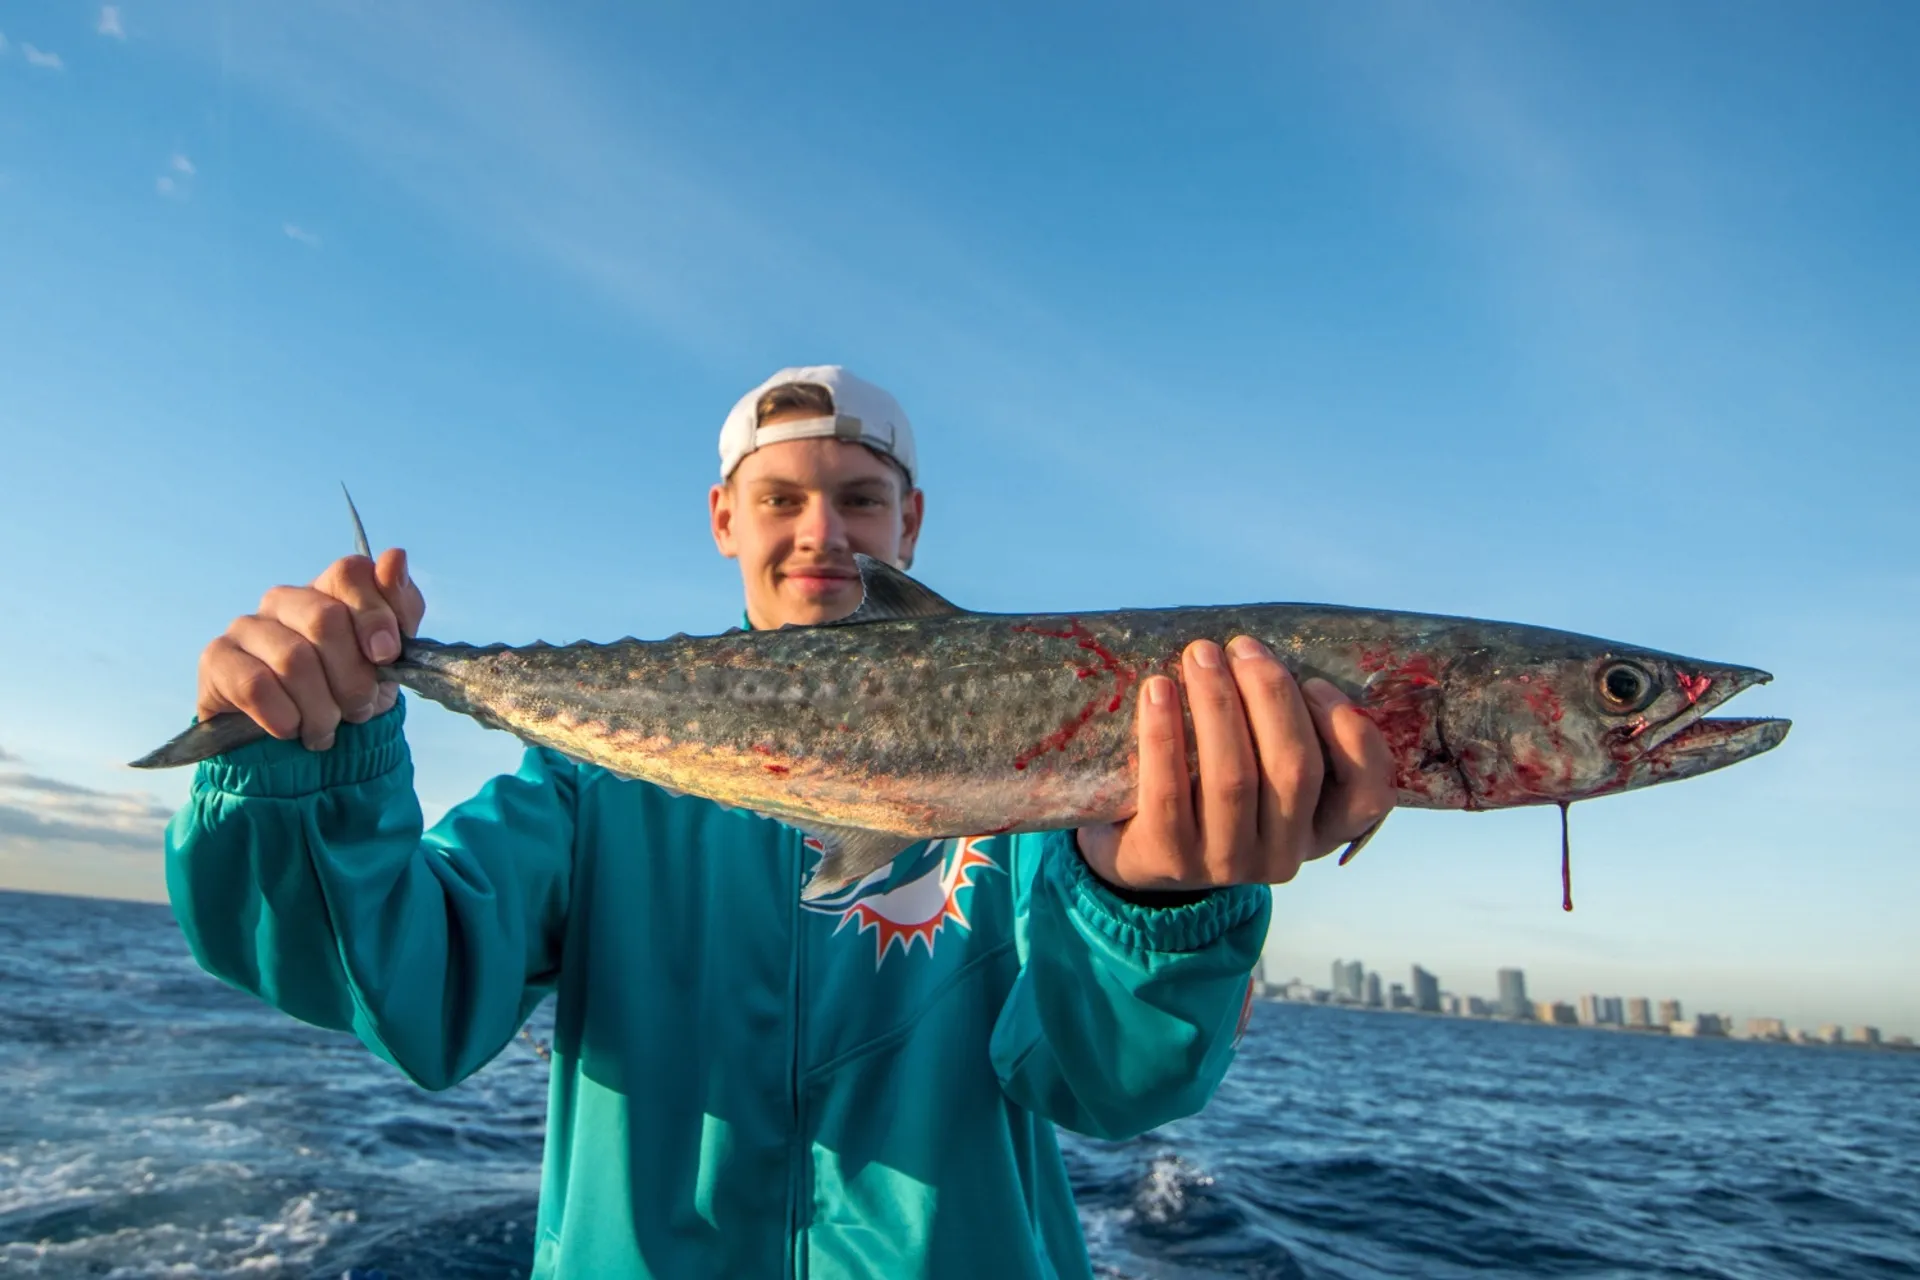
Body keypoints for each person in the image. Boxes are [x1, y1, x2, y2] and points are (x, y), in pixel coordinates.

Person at [166, 365, 1395, 1279]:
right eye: (782, 499)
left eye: (861, 499)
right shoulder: (594, 786)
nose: (823, 533)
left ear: (910, 526)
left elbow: (1098, 1084)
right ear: (723, 518)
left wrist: (1154, 905)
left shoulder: (1045, 800)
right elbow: (407, 991)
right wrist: (305, 760)